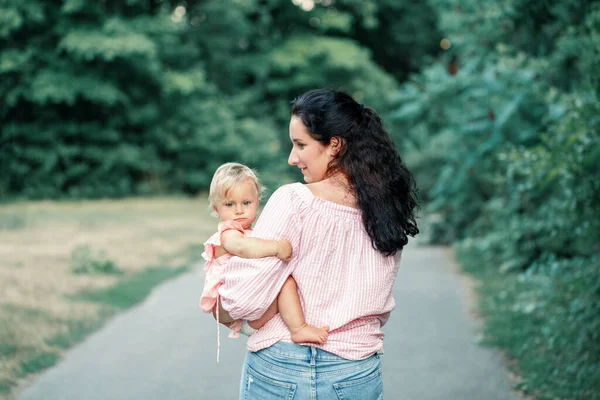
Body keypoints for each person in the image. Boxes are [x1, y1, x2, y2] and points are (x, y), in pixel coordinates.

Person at [217, 89, 419, 399]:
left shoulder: (295, 201)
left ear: (334, 145)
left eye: (300, 145)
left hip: (283, 370)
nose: (292, 157)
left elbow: (240, 300)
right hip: (356, 373)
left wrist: (226, 307)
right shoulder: (386, 210)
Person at [199, 162, 329, 361]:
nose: (239, 210)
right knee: (285, 282)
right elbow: (243, 248)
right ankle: (299, 328)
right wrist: (276, 247)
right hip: (227, 304)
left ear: (257, 202)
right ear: (216, 209)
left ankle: (265, 326)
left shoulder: (252, 231)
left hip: (249, 317)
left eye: (246, 203)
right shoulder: (229, 233)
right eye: (229, 204)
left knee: (281, 282)